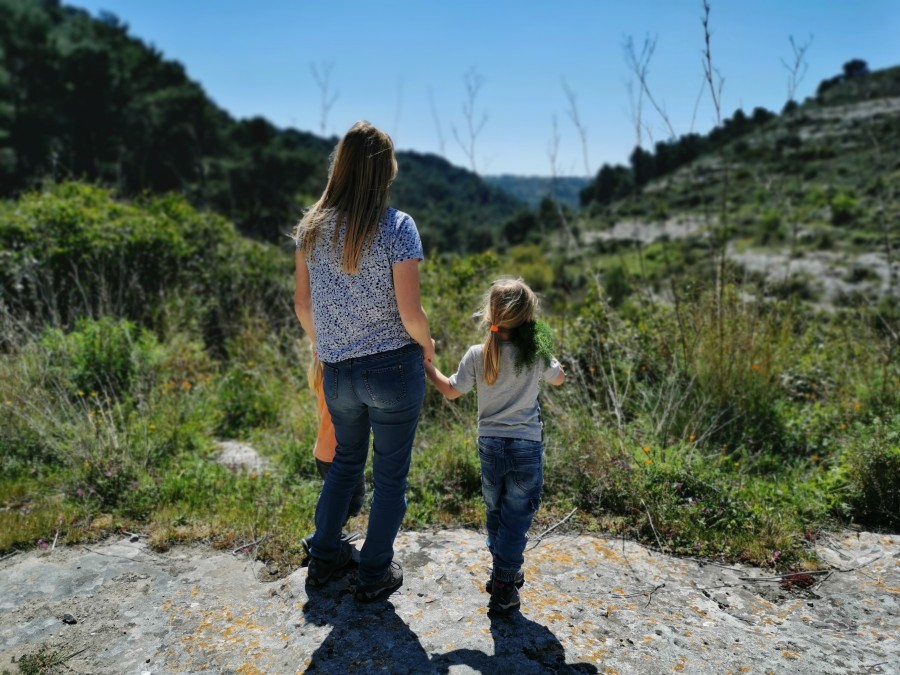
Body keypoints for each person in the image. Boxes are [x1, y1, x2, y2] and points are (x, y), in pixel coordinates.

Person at [294, 120, 434, 603]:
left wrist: (327, 344)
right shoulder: (398, 227)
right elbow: (410, 313)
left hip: (338, 372)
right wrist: (429, 345)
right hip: (393, 369)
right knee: (390, 475)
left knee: (345, 466)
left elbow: (302, 305)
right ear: (384, 172)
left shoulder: (311, 229)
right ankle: (374, 572)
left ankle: (325, 556)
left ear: (342, 166)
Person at [424, 278, 565, 613]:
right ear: (529, 318)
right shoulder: (535, 353)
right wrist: (546, 348)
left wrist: (426, 365)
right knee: (517, 516)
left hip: (490, 445)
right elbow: (559, 378)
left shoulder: (477, 354)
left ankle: (504, 570)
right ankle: (504, 582)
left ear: (490, 315)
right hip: (526, 446)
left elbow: (451, 390)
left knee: (496, 510)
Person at [299, 352, 365, 558]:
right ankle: (322, 538)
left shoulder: (322, 373)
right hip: (337, 452)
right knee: (352, 501)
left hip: (324, 451)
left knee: (341, 498)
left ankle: (327, 534)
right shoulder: (334, 378)